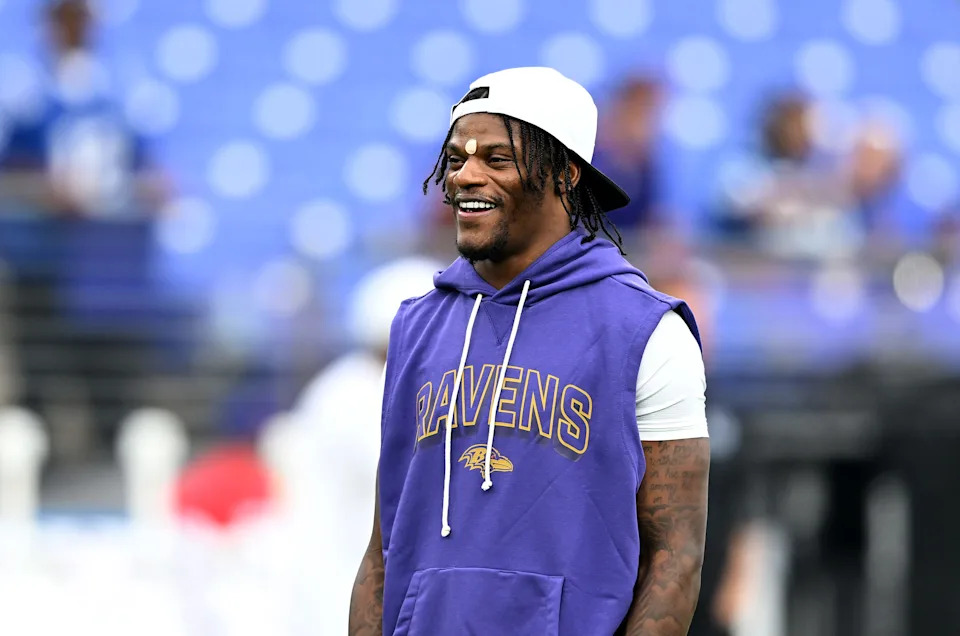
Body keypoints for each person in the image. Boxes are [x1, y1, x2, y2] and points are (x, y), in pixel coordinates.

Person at [350, 67, 710, 635]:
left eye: (496, 159)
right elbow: (382, 549)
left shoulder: (647, 330)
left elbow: (675, 554)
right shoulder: (414, 326)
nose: (466, 176)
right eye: (457, 158)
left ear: (565, 175)